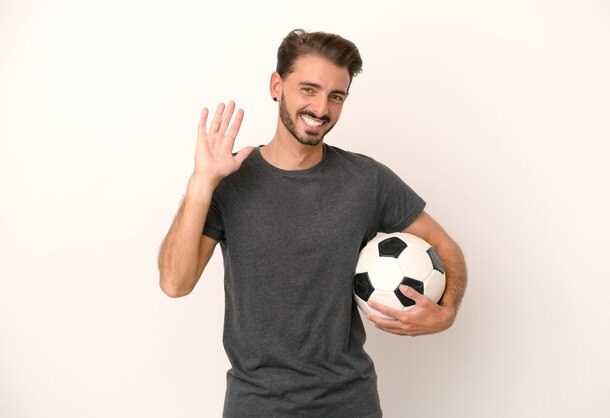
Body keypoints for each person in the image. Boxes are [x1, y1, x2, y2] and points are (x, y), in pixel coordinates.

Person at [158, 29, 467, 418]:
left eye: (336, 96)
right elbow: (175, 282)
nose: (321, 108)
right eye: (309, 89)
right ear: (276, 85)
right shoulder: (227, 180)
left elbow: (447, 248)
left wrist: (447, 310)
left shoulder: (367, 180)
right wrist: (201, 182)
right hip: (255, 405)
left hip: (349, 403)